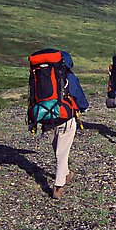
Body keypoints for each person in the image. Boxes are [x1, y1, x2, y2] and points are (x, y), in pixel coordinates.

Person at [46, 50, 88, 200]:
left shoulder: (43, 74)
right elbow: (78, 96)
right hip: (65, 117)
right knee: (62, 152)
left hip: (45, 116)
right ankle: (58, 186)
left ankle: (67, 173)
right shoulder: (68, 76)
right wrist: (83, 107)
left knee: (58, 149)